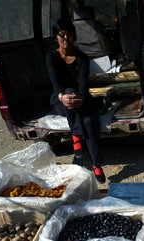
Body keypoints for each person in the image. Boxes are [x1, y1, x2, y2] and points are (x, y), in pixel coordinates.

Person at [45, 18, 106, 184]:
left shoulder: (82, 58)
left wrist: (82, 97)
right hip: (59, 100)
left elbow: (83, 84)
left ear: (74, 37)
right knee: (69, 92)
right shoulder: (51, 57)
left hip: (81, 98)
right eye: (62, 35)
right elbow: (55, 82)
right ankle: (77, 135)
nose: (66, 39)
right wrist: (62, 97)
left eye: (69, 35)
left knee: (89, 119)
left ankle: (96, 163)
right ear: (56, 37)